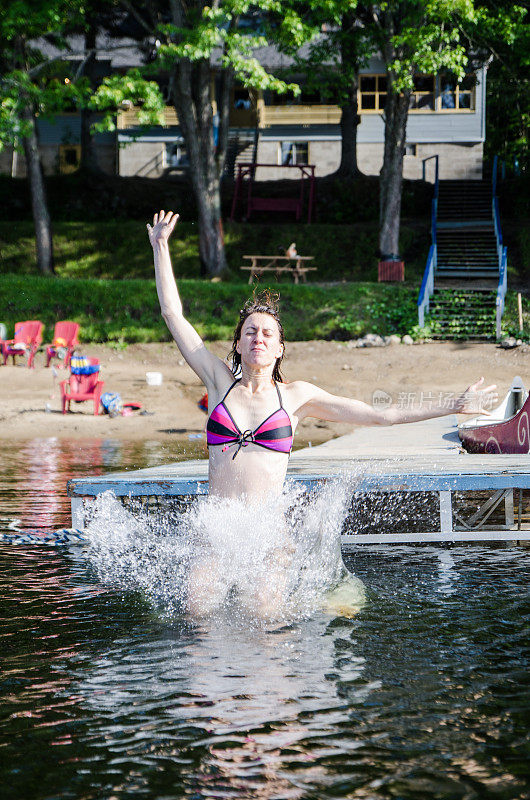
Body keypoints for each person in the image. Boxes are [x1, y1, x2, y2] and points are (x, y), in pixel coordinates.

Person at [147, 210, 496, 615]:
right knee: (196, 613)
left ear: (279, 348)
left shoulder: (296, 396)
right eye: (249, 332)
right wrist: (161, 246)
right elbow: (174, 316)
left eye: (267, 333)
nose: (257, 338)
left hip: (266, 532)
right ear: (238, 345)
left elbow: (379, 416)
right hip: (218, 529)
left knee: (265, 618)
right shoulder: (218, 382)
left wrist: (452, 405)